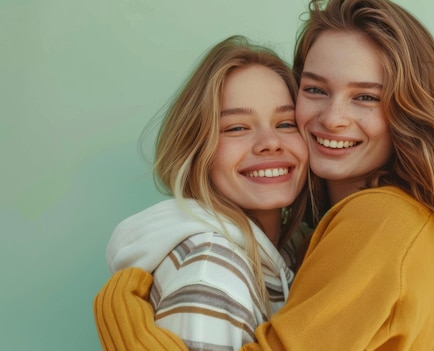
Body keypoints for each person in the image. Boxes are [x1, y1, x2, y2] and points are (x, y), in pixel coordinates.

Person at [94, 0, 434, 349]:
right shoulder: (325, 239)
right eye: (314, 89)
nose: (333, 118)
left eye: (366, 96)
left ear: (407, 111)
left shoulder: (379, 220)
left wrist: (125, 327)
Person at [93, 35, 311, 350]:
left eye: (287, 123)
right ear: (198, 151)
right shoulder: (213, 270)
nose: (270, 141)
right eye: (236, 127)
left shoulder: (292, 247)